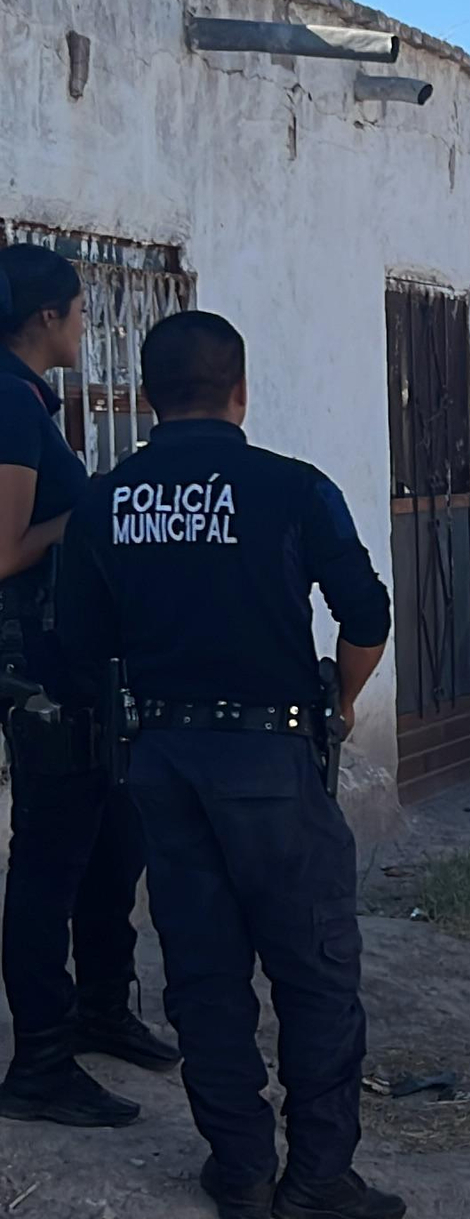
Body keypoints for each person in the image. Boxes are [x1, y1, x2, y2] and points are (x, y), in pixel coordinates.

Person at [54, 311, 402, 1219]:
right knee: (315, 967)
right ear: (240, 391)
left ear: (147, 395)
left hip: (162, 763)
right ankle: (319, 1174)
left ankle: (242, 1171)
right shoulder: (294, 488)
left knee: (204, 972)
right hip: (272, 760)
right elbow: (367, 613)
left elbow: (80, 648)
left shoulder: (105, 502)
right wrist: (342, 701)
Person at [0, 244, 179, 1132]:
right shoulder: (8, 400)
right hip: (39, 672)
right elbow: (4, 551)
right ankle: (40, 1058)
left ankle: (102, 1006)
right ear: (47, 317)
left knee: (115, 833)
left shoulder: (30, 397)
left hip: (78, 667)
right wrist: (92, 509)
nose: (85, 325)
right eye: (78, 310)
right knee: (51, 856)